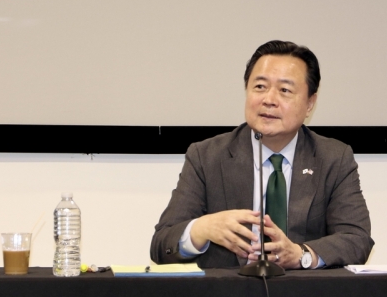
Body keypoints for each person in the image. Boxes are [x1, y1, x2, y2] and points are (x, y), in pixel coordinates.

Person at [150, 40, 374, 269]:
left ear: (310, 104)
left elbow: (357, 239)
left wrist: (301, 255)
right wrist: (201, 229)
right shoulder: (206, 157)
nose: (269, 100)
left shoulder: (333, 159)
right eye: (260, 87)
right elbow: (161, 245)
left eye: (285, 90)